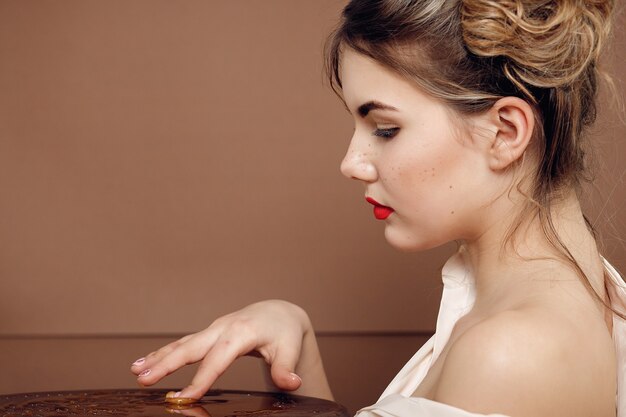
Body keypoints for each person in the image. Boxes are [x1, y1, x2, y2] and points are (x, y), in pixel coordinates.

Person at [130, 1, 626, 416]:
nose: (351, 164)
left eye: (385, 129)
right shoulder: (577, 297)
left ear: (505, 133)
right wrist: (297, 339)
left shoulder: (510, 353)